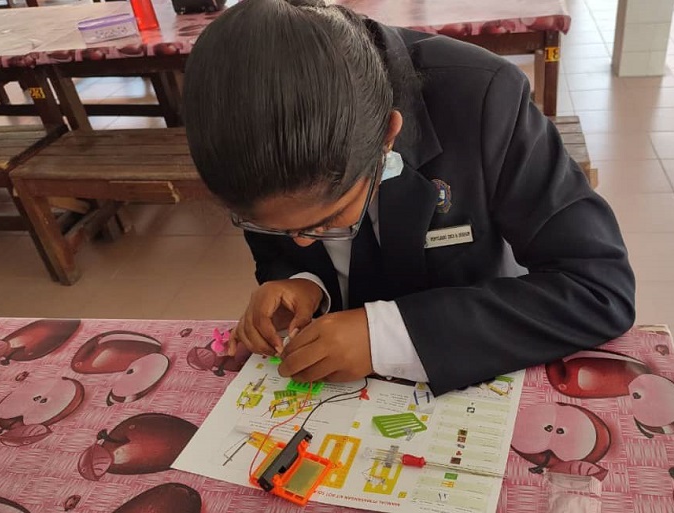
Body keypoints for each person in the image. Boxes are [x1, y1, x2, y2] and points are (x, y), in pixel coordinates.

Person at [182, 0, 636, 395]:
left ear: (388, 135)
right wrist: (302, 281)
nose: (302, 240)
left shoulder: (482, 98)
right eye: (273, 227)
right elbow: (285, 251)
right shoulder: (246, 129)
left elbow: (599, 289)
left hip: (471, 356)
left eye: (330, 217)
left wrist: (388, 337)